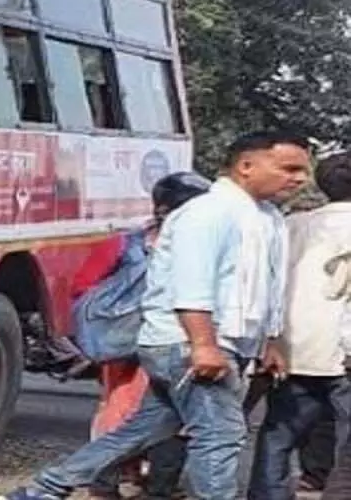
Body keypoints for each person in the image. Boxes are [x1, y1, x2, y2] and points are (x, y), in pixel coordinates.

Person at [0, 129, 312, 500]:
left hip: (214, 343)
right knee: (220, 435)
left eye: (303, 171)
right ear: (246, 165)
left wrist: (271, 340)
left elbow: (267, 286)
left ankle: (42, 490)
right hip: (189, 344)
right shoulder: (207, 214)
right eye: (289, 168)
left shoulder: (269, 217)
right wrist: (203, 345)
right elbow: (191, 284)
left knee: (143, 431)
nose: (300, 179)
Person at [76, 171, 211, 499]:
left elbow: (82, 287)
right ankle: (157, 486)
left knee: (119, 408)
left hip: (121, 342)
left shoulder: (125, 241)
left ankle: (107, 481)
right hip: (177, 339)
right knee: (173, 412)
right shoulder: (204, 247)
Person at [248, 150, 351, 500]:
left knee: (279, 433)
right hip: (341, 350)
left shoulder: (291, 224)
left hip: (291, 346)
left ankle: (266, 493)